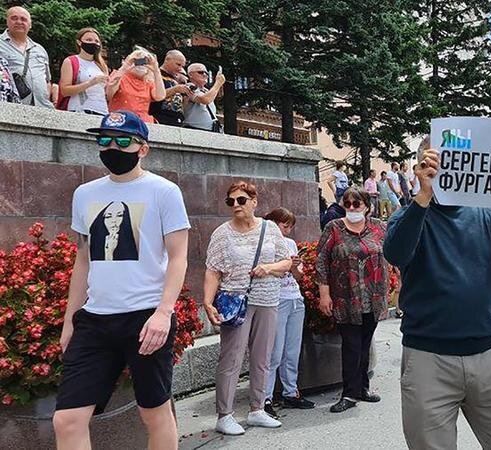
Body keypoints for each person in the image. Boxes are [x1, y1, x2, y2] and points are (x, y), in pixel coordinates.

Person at [53, 110, 190, 448]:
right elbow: (83, 261)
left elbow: (178, 257)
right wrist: (71, 320)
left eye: (122, 141)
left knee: (154, 413)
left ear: (143, 148)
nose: (112, 147)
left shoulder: (164, 191)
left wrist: (163, 312)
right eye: (104, 140)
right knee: (67, 419)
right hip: (95, 321)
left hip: (145, 318)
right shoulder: (85, 194)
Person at [385, 147, 491, 449]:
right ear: (421, 167)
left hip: (490, 355)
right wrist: (422, 198)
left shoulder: (488, 211)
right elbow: (397, 253)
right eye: (433, 163)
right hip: (428, 360)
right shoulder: (408, 214)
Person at [204, 181, 291, 435]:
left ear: (254, 202)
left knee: (262, 357)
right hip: (235, 301)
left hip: (267, 299)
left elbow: (286, 262)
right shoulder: (222, 233)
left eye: (241, 200)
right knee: (231, 358)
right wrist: (207, 302)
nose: (236, 206)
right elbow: (212, 270)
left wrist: (268, 268)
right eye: (231, 201)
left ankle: (257, 409)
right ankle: (225, 415)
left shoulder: (270, 228)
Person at [316, 187, 389, 413]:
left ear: (366, 205)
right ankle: (349, 393)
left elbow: (391, 253)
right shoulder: (334, 228)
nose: (351, 208)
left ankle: (363, 388)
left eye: (356, 204)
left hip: (373, 295)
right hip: (346, 298)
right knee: (351, 346)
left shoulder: (378, 227)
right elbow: (321, 261)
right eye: (347, 204)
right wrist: (324, 294)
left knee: (365, 344)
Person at [262, 207, 315, 419]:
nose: (288, 230)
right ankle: (264, 398)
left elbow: (299, 277)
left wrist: (294, 267)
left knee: (292, 350)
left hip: (294, 297)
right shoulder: (264, 243)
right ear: (273, 223)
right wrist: (281, 266)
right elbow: (262, 270)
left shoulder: (291, 243)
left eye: (290, 226)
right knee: (274, 351)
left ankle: (290, 392)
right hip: (276, 299)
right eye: (285, 225)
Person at [1, 6, 56, 108]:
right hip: (10, 106)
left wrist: (45, 98)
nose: (19, 22)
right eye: (14, 18)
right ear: (7, 21)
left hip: (42, 108)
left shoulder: (40, 49)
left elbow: (47, 80)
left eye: (23, 19)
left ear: (30, 25)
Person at [107, 49, 166, 123]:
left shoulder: (148, 82)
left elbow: (160, 96)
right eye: (137, 61)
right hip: (120, 120)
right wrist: (125, 67)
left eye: (144, 62)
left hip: (141, 122)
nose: (141, 65)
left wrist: (156, 71)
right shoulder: (119, 76)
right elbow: (109, 93)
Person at [59, 28, 108, 115]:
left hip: (102, 110)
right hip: (80, 109)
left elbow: (106, 92)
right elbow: (64, 91)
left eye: (96, 41)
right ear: (79, 42)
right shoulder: (71, 61)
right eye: (89, 40)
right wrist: (91, 82)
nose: (93, 43)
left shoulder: (101, 65)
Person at [150, 50, 190, 126]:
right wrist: (175, 89)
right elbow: (153, 96)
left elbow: (181, 107)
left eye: (182, 66)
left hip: (177, 120)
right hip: (159, 118)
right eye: (178, 64)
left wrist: (186, 95)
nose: (180, 69)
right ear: (167, 60)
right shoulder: (155, 75)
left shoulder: (176, 80)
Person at [183, 63, 225, 132]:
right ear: (190, 74)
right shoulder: (189, 87)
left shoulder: (206, 90)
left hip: (210, 130)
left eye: (207, 73)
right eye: (200, 72)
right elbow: (205, 99)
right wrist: (218, 83)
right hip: (194, 130)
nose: (205, 75)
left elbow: (218, 96)